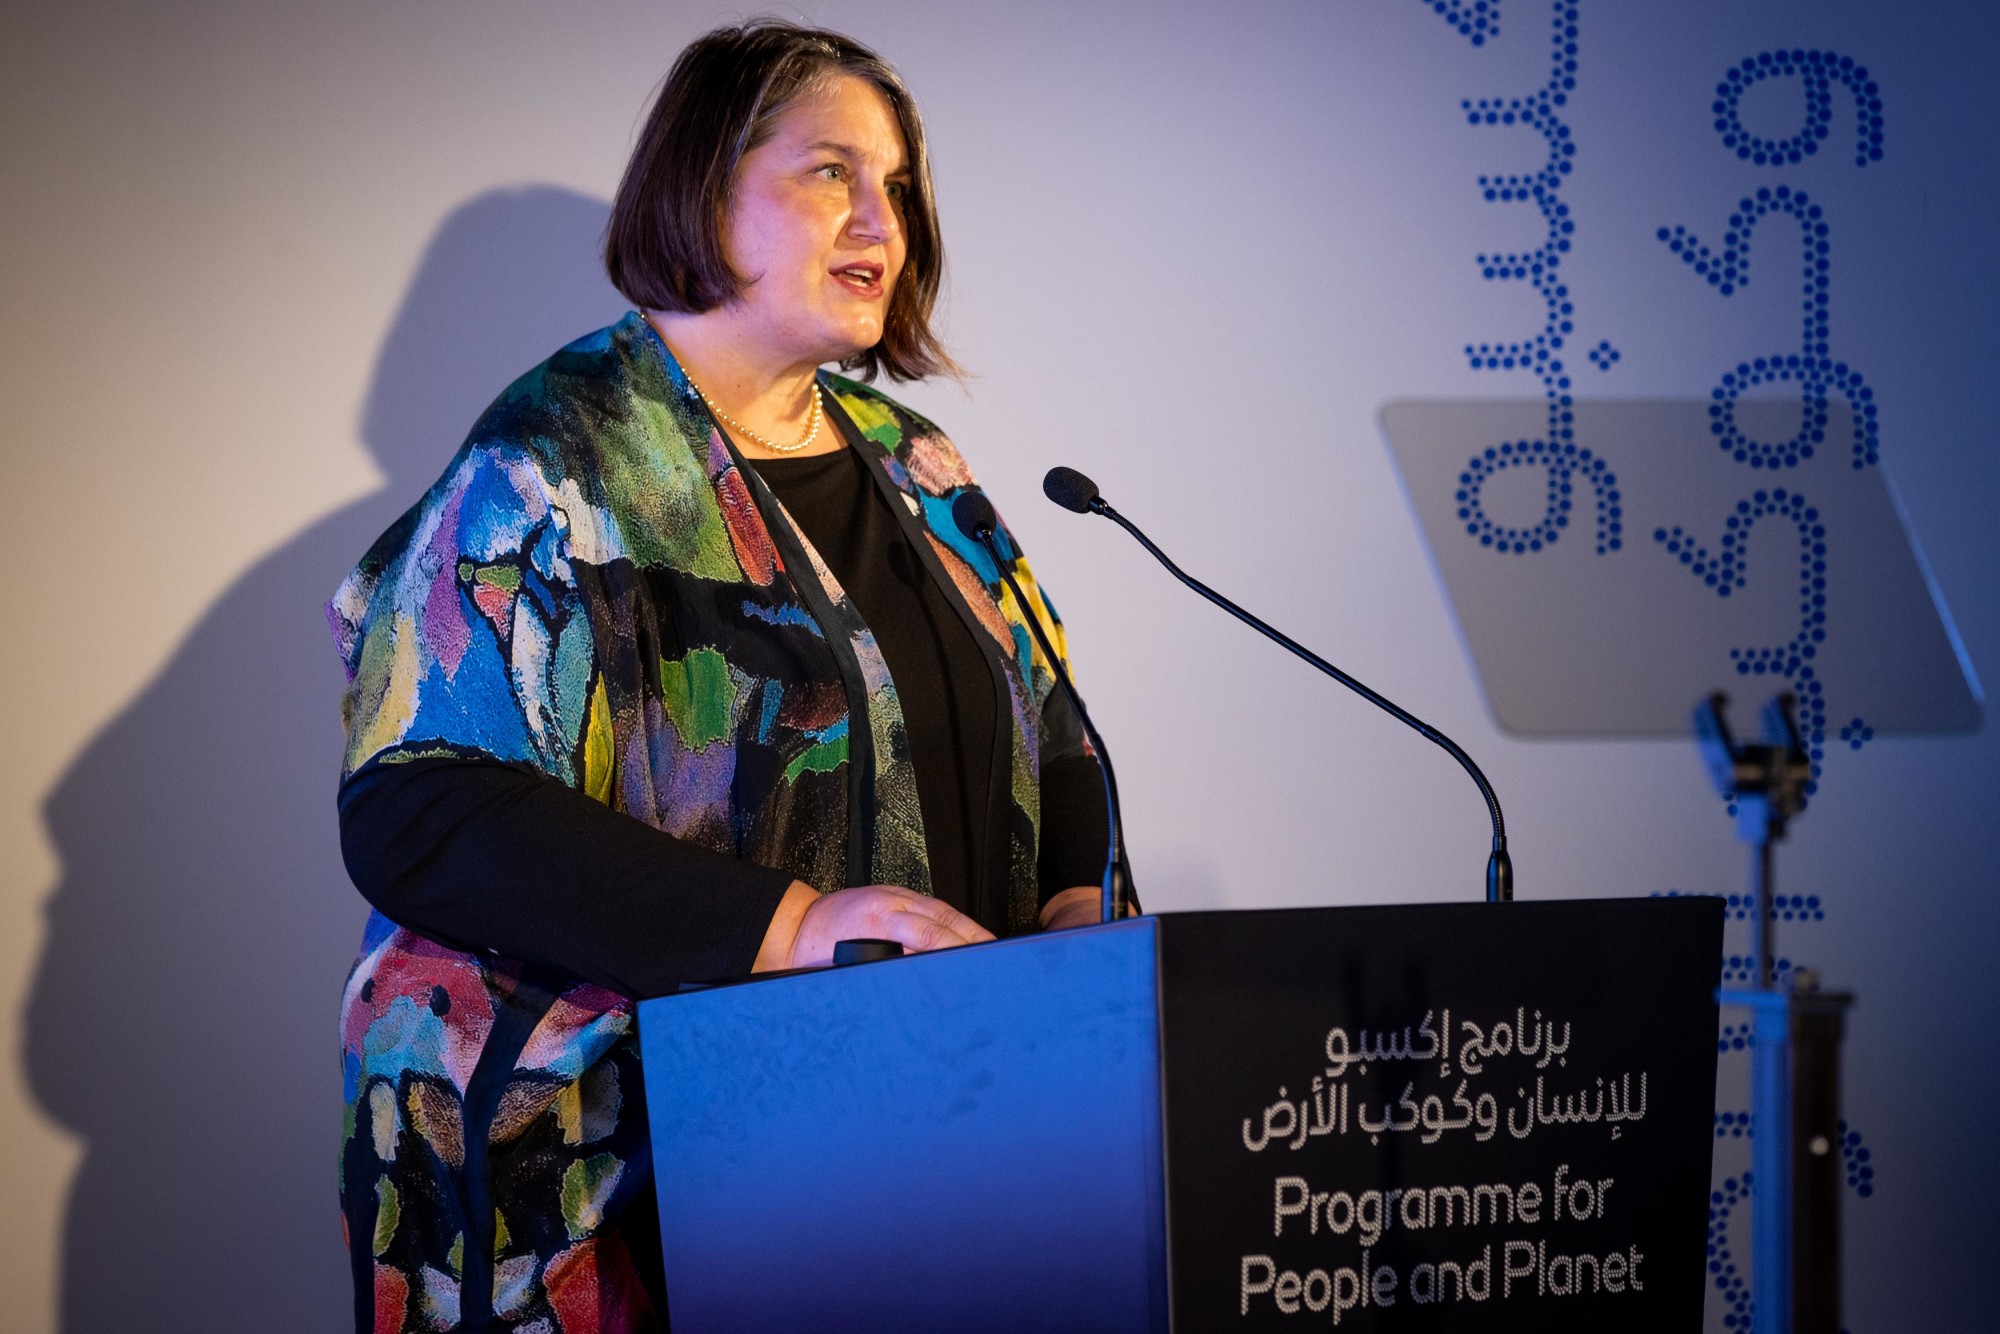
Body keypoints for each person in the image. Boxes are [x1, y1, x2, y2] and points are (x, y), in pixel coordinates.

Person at [329, 21, 1115, 1331]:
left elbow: (1054, 724)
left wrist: (1077, 908)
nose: (883, 217)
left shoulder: (914, 464)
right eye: (830, 171)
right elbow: (417, 803)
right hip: (622, 1184)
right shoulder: (558, 458)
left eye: (900, 184)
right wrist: (791, 924)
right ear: (703, 186)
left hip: (921, 1142)